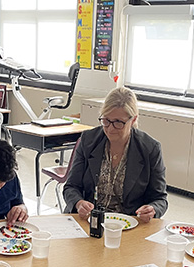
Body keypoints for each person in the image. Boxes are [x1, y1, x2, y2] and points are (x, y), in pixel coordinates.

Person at [63, 86, 168, 222]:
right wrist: (79, 203)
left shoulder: (150, 148)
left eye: (118, 122)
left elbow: (160, 199)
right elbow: (71, 187)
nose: (110, 129)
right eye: (106, 121)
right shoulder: (89, 140)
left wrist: (152, 209)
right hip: (90, 220)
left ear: (133, 120)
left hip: (129, 223)